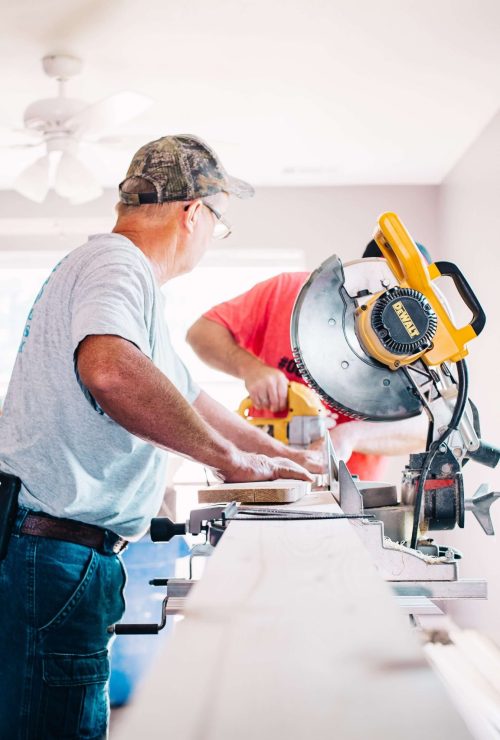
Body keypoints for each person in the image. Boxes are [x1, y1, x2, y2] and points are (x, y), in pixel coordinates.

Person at [0, 135, 320, 739]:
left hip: (52, 554)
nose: (209, 237)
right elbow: (112, 370)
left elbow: (184, 391)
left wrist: (273, 454)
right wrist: (230, 461)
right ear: (193, 212)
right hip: (56, 556)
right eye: (216, 223)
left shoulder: (113, 275)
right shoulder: (118, 264)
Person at [187, 241, 430, 481]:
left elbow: (426, 427)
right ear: (360, 271)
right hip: (263, 472)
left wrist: (350, 435)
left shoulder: (415, 344)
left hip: (349, 488)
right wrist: (249, 368)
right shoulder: (288, 292)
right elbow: (201, 333)